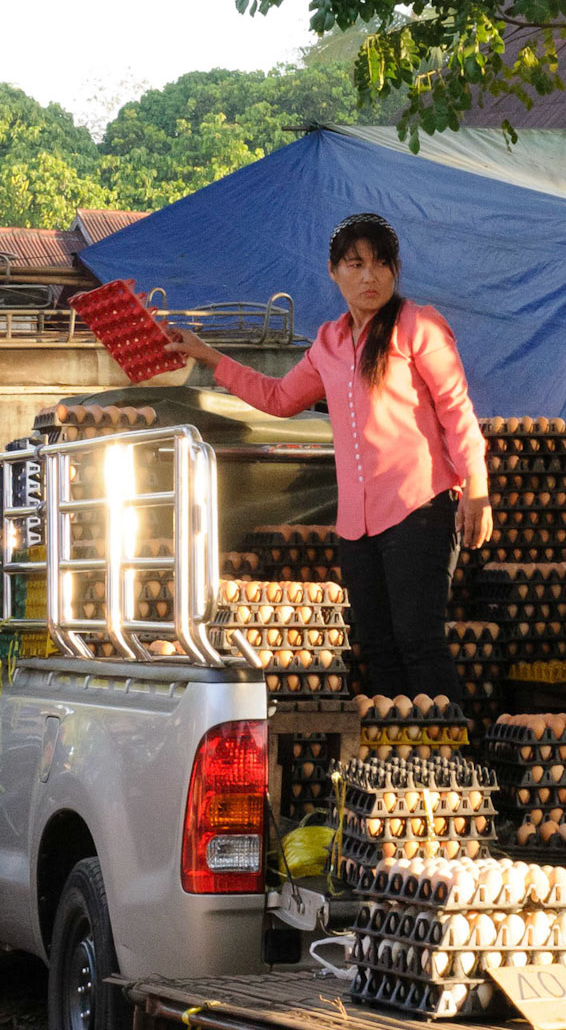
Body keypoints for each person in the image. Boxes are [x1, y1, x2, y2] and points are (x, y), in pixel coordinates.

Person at [170, 212, 491, 700]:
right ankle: (395, 745)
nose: (369, 276)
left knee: (419, 641)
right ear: (333, 271)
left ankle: (452, 746)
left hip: (420, 510)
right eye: (356, 264)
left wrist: (477, 490)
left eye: (381, 264)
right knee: (377, 647)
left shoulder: (419, 326)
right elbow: (279, 398)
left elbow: (456, 410)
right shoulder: (329, 342)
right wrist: (209, 356)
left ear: (396, 270)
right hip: (357, 525)